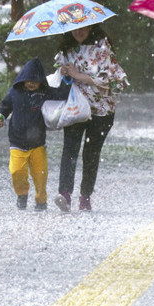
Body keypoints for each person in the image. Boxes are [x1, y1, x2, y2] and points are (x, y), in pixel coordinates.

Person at [53, 24, 129, 212]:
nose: (79, 32)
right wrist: (63, 73)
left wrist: (79, 75)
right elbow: (60, 76)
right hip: (75, 107)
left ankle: (85, 196)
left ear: (91, 28)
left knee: (91, 153)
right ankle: (65, 194)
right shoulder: (65, 50)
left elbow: (109, 78)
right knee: (69, 150)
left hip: (101, 110)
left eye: (83, 28)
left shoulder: (102, 47)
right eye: (75, 28)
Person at [0, 57, 69, 211]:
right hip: (17, 142)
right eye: (28, 80)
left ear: (41, 80)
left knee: (40, 175)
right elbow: (4, 107)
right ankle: (22, 194)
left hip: (38, 143)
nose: (31, 83)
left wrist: (66, 76)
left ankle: (41, 201)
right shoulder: (15, 92)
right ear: (22, 79)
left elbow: (62, 93)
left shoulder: (44, 92)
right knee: (16, 171)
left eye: (35, 80)